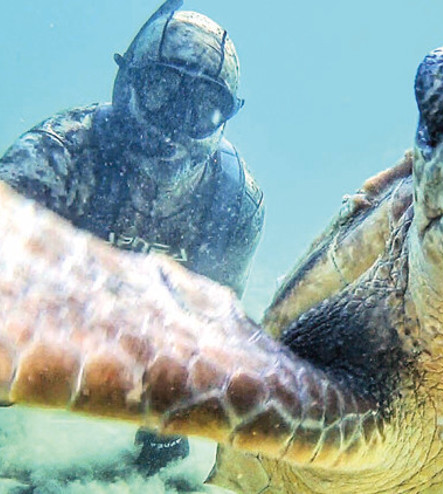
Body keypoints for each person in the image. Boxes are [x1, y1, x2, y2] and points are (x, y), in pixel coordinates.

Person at [0, 0, 264, 478]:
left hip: (159, 335)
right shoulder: (59, 155)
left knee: (179, 415)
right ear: (128, 82)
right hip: (43, 310)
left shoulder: (235, 200)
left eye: (202, 105)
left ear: (226, 114)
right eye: (162, 89)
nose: (175, 124)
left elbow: (218, 331)